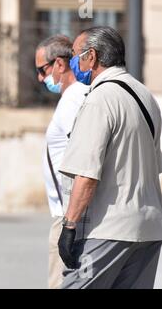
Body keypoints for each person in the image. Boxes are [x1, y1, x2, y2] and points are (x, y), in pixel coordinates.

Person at [58, 26, 162, 289]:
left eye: (75, 55)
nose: (73, 63)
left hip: (108, 229)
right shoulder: (145, 96)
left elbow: (86, 173)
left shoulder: (100, 100)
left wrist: (69, 227)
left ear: (91, 57)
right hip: (148, 229)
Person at [35, 35, 89, 289]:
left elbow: (86, 156)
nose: (39, 78)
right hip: (67, 214)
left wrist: (71, 220)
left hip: (68, 218)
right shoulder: (71, 97)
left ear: (59, 64)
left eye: (41, 70)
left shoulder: (75, 97)